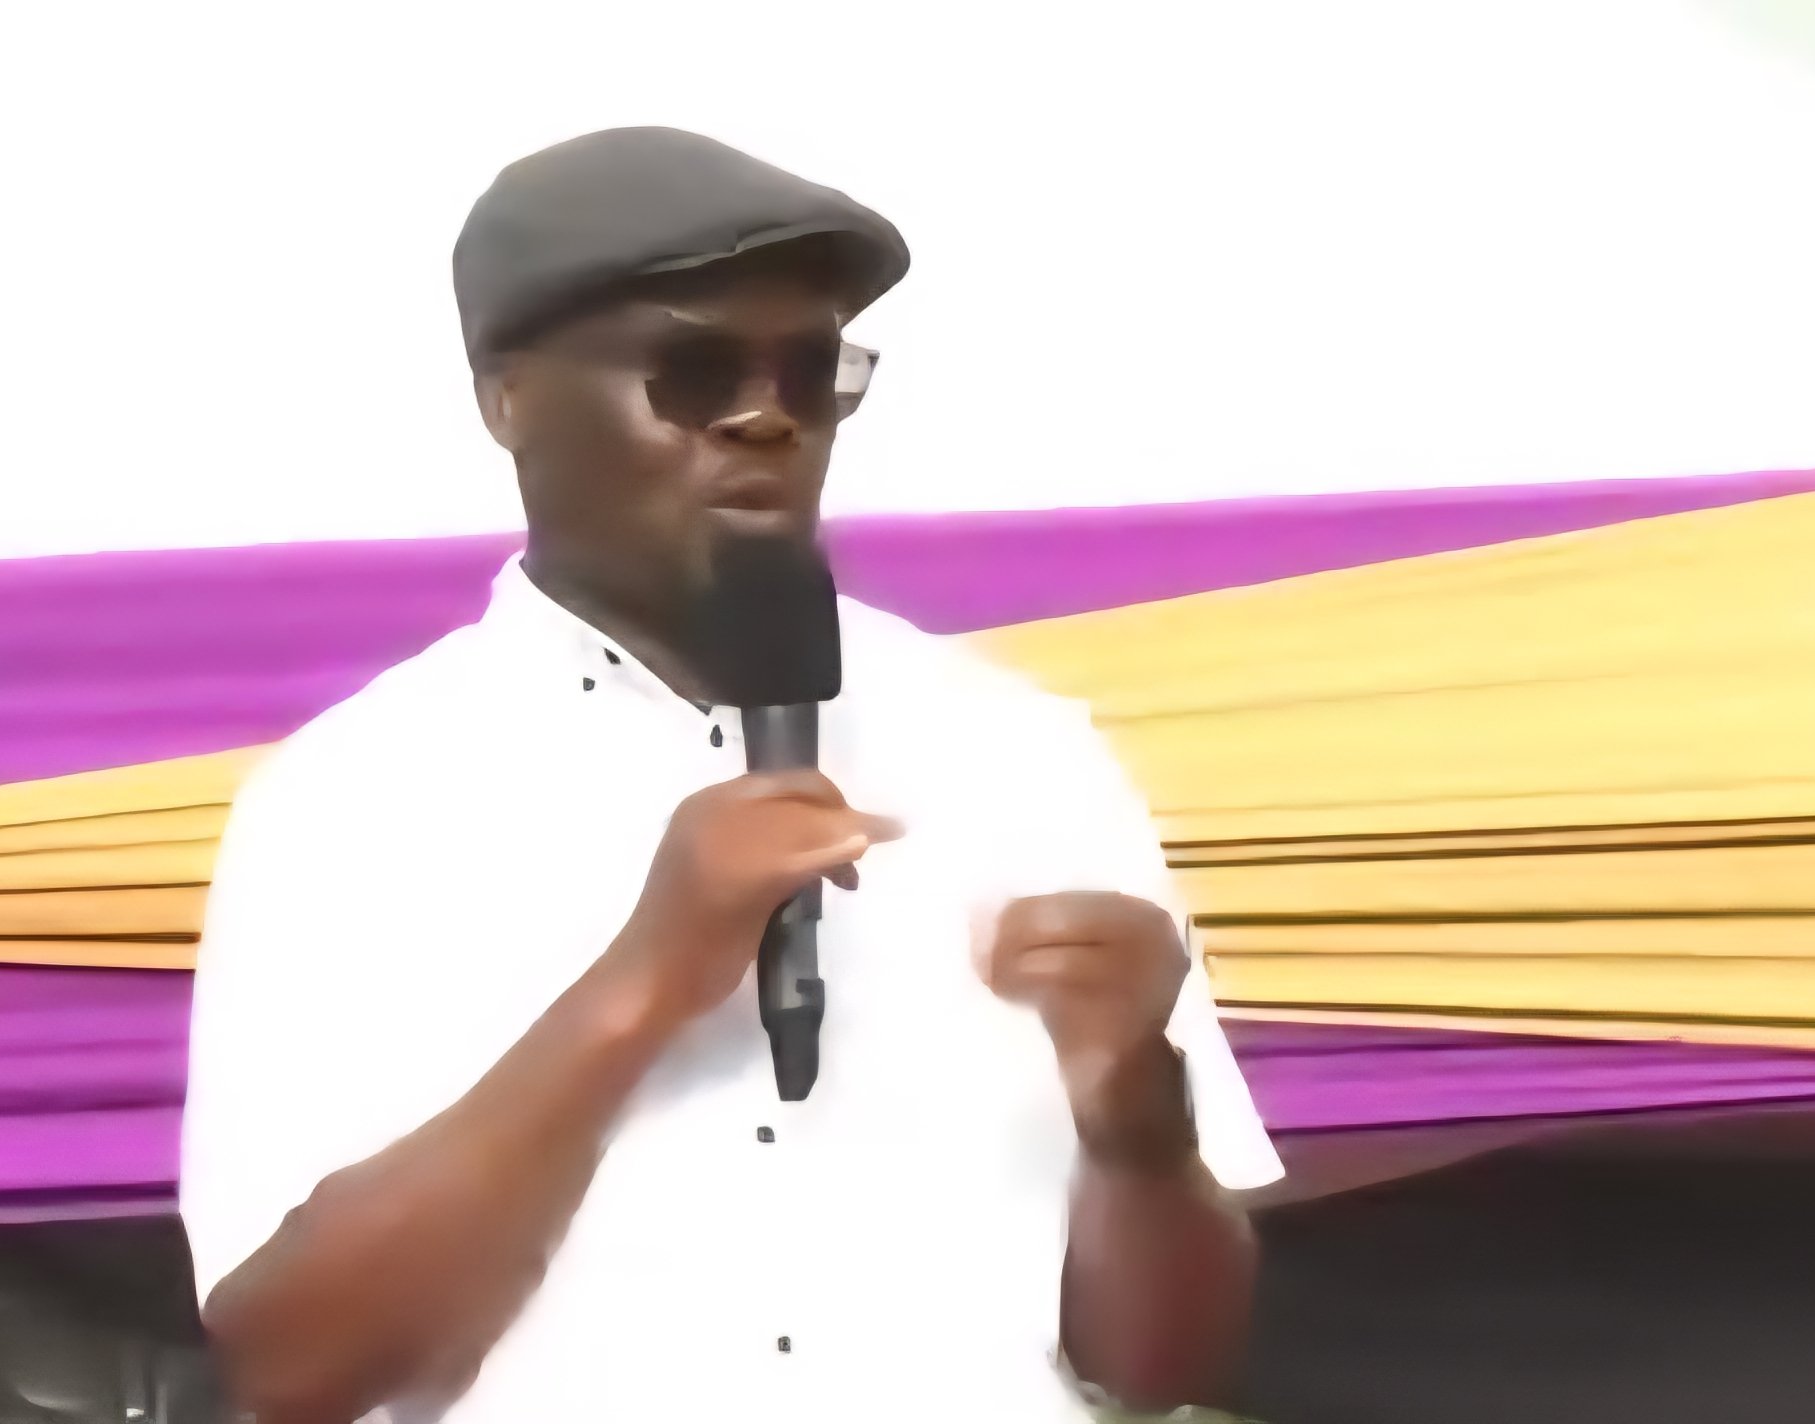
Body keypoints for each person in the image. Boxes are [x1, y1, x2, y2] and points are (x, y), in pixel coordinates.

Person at [178, 126, 1285, 1424]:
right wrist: (641, 985)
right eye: (696, 370)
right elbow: (294, 1370)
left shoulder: (1024, 757)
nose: (766, 416)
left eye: (811, 374)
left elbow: (1167, 1369)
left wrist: (1139, 1133)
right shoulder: (355, 804)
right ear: (510, 399)